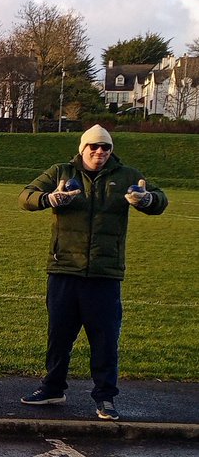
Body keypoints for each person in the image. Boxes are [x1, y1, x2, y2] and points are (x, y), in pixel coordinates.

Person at [18, 124, 168, 421]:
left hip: (104, 272)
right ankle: (52, 388)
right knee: (59, 335)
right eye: (94, 146)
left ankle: (105, 397)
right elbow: (25, 196)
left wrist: (147, 200)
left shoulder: (126, 175)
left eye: (106, 147)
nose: (100, 151)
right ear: (82, 148)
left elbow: (159, 199)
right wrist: (50, 198)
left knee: (104, 339)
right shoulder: (61, 172)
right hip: (64, 268)